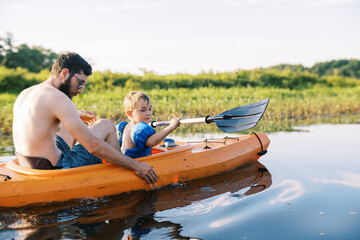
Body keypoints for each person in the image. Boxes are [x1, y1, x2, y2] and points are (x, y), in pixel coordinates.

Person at [12, 52, 157, 184]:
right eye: (80, 83)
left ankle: (114, 160)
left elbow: (41, 119)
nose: (80, 90)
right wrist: (136, 166)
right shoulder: (59, 98)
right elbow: (93, 146)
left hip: (27, 165)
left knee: (64, 128)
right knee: (106, 124)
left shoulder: (26, 93)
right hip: (56, 168)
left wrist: (76, 113)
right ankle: (122, 172)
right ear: (64, 73)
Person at [117, 91, 180, 158]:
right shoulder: (137, 129)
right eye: (143, 110)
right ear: (130, 114)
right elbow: (150, 142)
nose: (148, 113)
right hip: (136, 163)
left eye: (150, 109)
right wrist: (171, 127)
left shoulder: (127, 127)